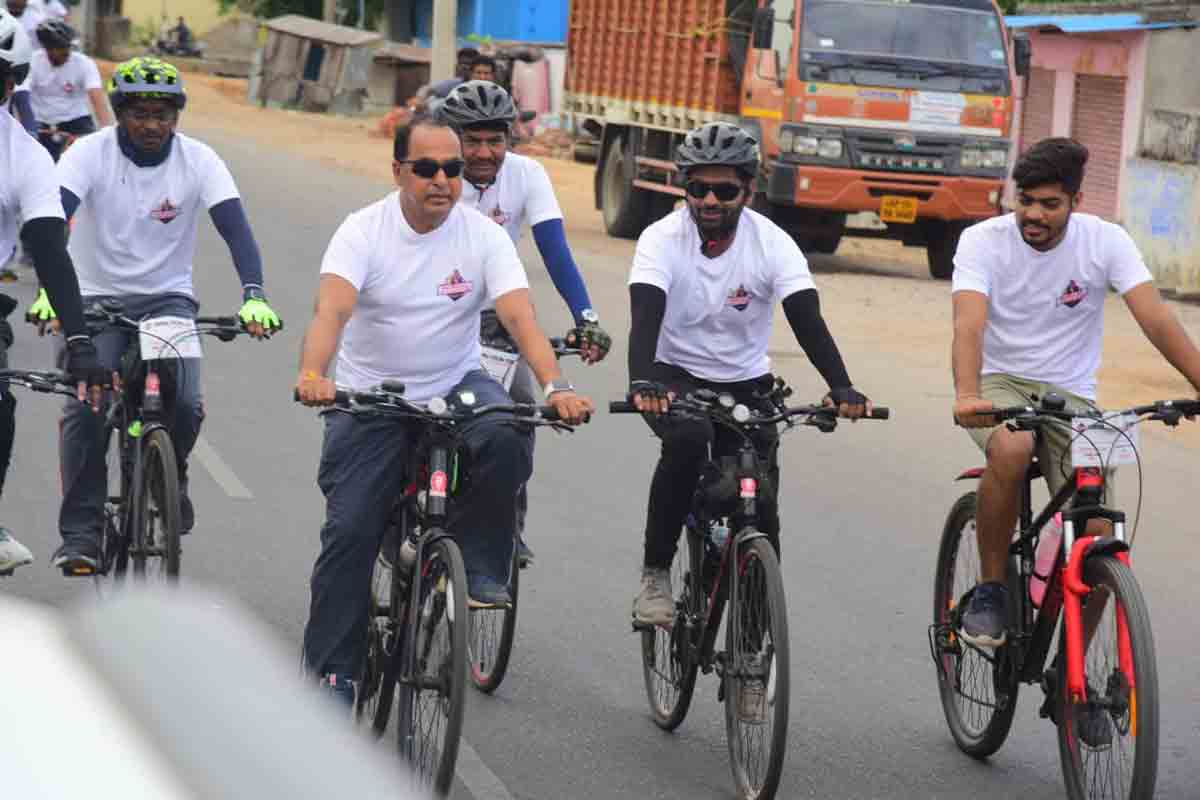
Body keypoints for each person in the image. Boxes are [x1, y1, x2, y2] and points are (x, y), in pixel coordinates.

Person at [295, 115, 594, 704]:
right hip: (372, 396)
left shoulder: (482, 236)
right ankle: (335, 671)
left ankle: (484, 561)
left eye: (453, 170)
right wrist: (314, 375)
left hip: (456, 383)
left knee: (506, 428)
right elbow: (331, 312)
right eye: (427, 169)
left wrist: (556, 384)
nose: (442, 181)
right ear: (399, 171)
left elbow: (519, 317)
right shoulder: (363, 232)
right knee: (350, 533)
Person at [952, 137, 1200, 649]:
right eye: (1025, 201)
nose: (1033, 215)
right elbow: (969, 324)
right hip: (1001, 384)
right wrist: (967, 393)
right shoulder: (982, 241)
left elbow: (1155, 316)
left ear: (1076, 201)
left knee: (1098, 533)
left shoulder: (1105, 241)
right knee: (1013, 447)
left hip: (1072, 398)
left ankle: (1075, 672)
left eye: (1049, 204)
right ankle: (992, 591)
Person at [39, 57, 282, 574]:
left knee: (187, 403)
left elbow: (236, 229)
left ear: (178, 115)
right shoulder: (88, 155)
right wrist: (48, 292)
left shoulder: (200, 161)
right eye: (141, 113)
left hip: (167, 301)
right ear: (120, 112)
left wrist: (254, 293)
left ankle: (171, 475)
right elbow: (53, 217)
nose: (153, 125)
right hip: (90, 300)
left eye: (165, 113)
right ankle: (81, 533)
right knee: (87, 408)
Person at [626, 121, 871, 630]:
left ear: (749, 191)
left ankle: (756, 647)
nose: (710, 200)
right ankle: (655, 576)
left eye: (726, 189)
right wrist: (642, 382)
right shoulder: (660, 239)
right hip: (675, 375)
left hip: (747, 384)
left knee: (761, 503)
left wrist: (840, 385)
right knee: (689, 441)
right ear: (685, 189)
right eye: (698, 188)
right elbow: (645, 316)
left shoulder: (773, 243)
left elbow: (806, 317)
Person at [435, 79, 609, 567]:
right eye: (473, 140)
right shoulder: (437, 176)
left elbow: (554, 249)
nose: (485, 152)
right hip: (437, 311)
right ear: (453, 139)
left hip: (500, 316)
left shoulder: (528, 175)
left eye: (496, 140)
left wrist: (586, 317)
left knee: (518, 409)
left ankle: (507, 524)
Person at [0, 10, 104, 572]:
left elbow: (49, 249)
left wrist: (80, 338)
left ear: (10, 84)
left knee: (0, 405)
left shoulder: (25, 156)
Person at [29, 20, 111, 162]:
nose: (66, 51)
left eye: (68, 47)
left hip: (76, 120)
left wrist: (109, 132)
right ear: (48, 48)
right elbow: (21, 95)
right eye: (61, 48)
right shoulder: (33, 62)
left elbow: (96, 96)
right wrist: (26, 126)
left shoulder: (84, 63)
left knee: (92, 158)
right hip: (41, 121)